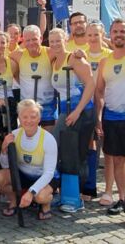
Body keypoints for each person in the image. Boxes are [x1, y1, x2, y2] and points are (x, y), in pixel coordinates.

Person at [49, 28, 95, 212]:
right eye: (51, 41)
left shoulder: (74, 58)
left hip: (82, 113)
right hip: (65, 111)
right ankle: (64, 193)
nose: (54, 44)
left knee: (77, 154)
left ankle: (76, 197)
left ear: (65, 39)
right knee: (60, 149)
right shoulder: (53, 60)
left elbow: (91, 83)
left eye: (58, 41)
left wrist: (77, 111)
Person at [0, 99, 59, 220]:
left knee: (40, 196)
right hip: (22, 174)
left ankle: (46, 204)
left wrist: (31, 192)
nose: (29, 121)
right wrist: (3, 149)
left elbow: (49, 173)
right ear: (19, 118)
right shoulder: (14, 135)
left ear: (39, 119)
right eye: (25, 117)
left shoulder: (48, 139)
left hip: (44, 177)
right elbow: (5, 165)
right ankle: (14, 201)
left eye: (33, 117)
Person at [95, 18, 125, 215]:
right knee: (116, 160)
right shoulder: (105, 61)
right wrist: (99, 117)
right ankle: (122, 199)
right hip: (112, 118)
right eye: (115, 31)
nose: (119, 35)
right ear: (110, 35)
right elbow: (99, 91)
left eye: (122, 31)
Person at [84, 22, 113, 205]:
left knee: (110, 150)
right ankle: (90, 186)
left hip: (108, 105)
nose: (93, 38)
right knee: (91, 146)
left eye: (96, 34)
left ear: (103, 35)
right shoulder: (81, 54)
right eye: (90, 35)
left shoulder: (110, 55)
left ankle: (110, 190)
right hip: (87, 106)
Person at [10, 25, 57, 131]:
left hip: (47, 104)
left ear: (40, 39)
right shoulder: (17, 55)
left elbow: (66, 54)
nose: (31, 43)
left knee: (49, 137)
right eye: (28, 40)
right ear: (23, 40)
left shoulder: (50, 53)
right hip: (27, 106)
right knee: (25, 138)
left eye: (34, 39)